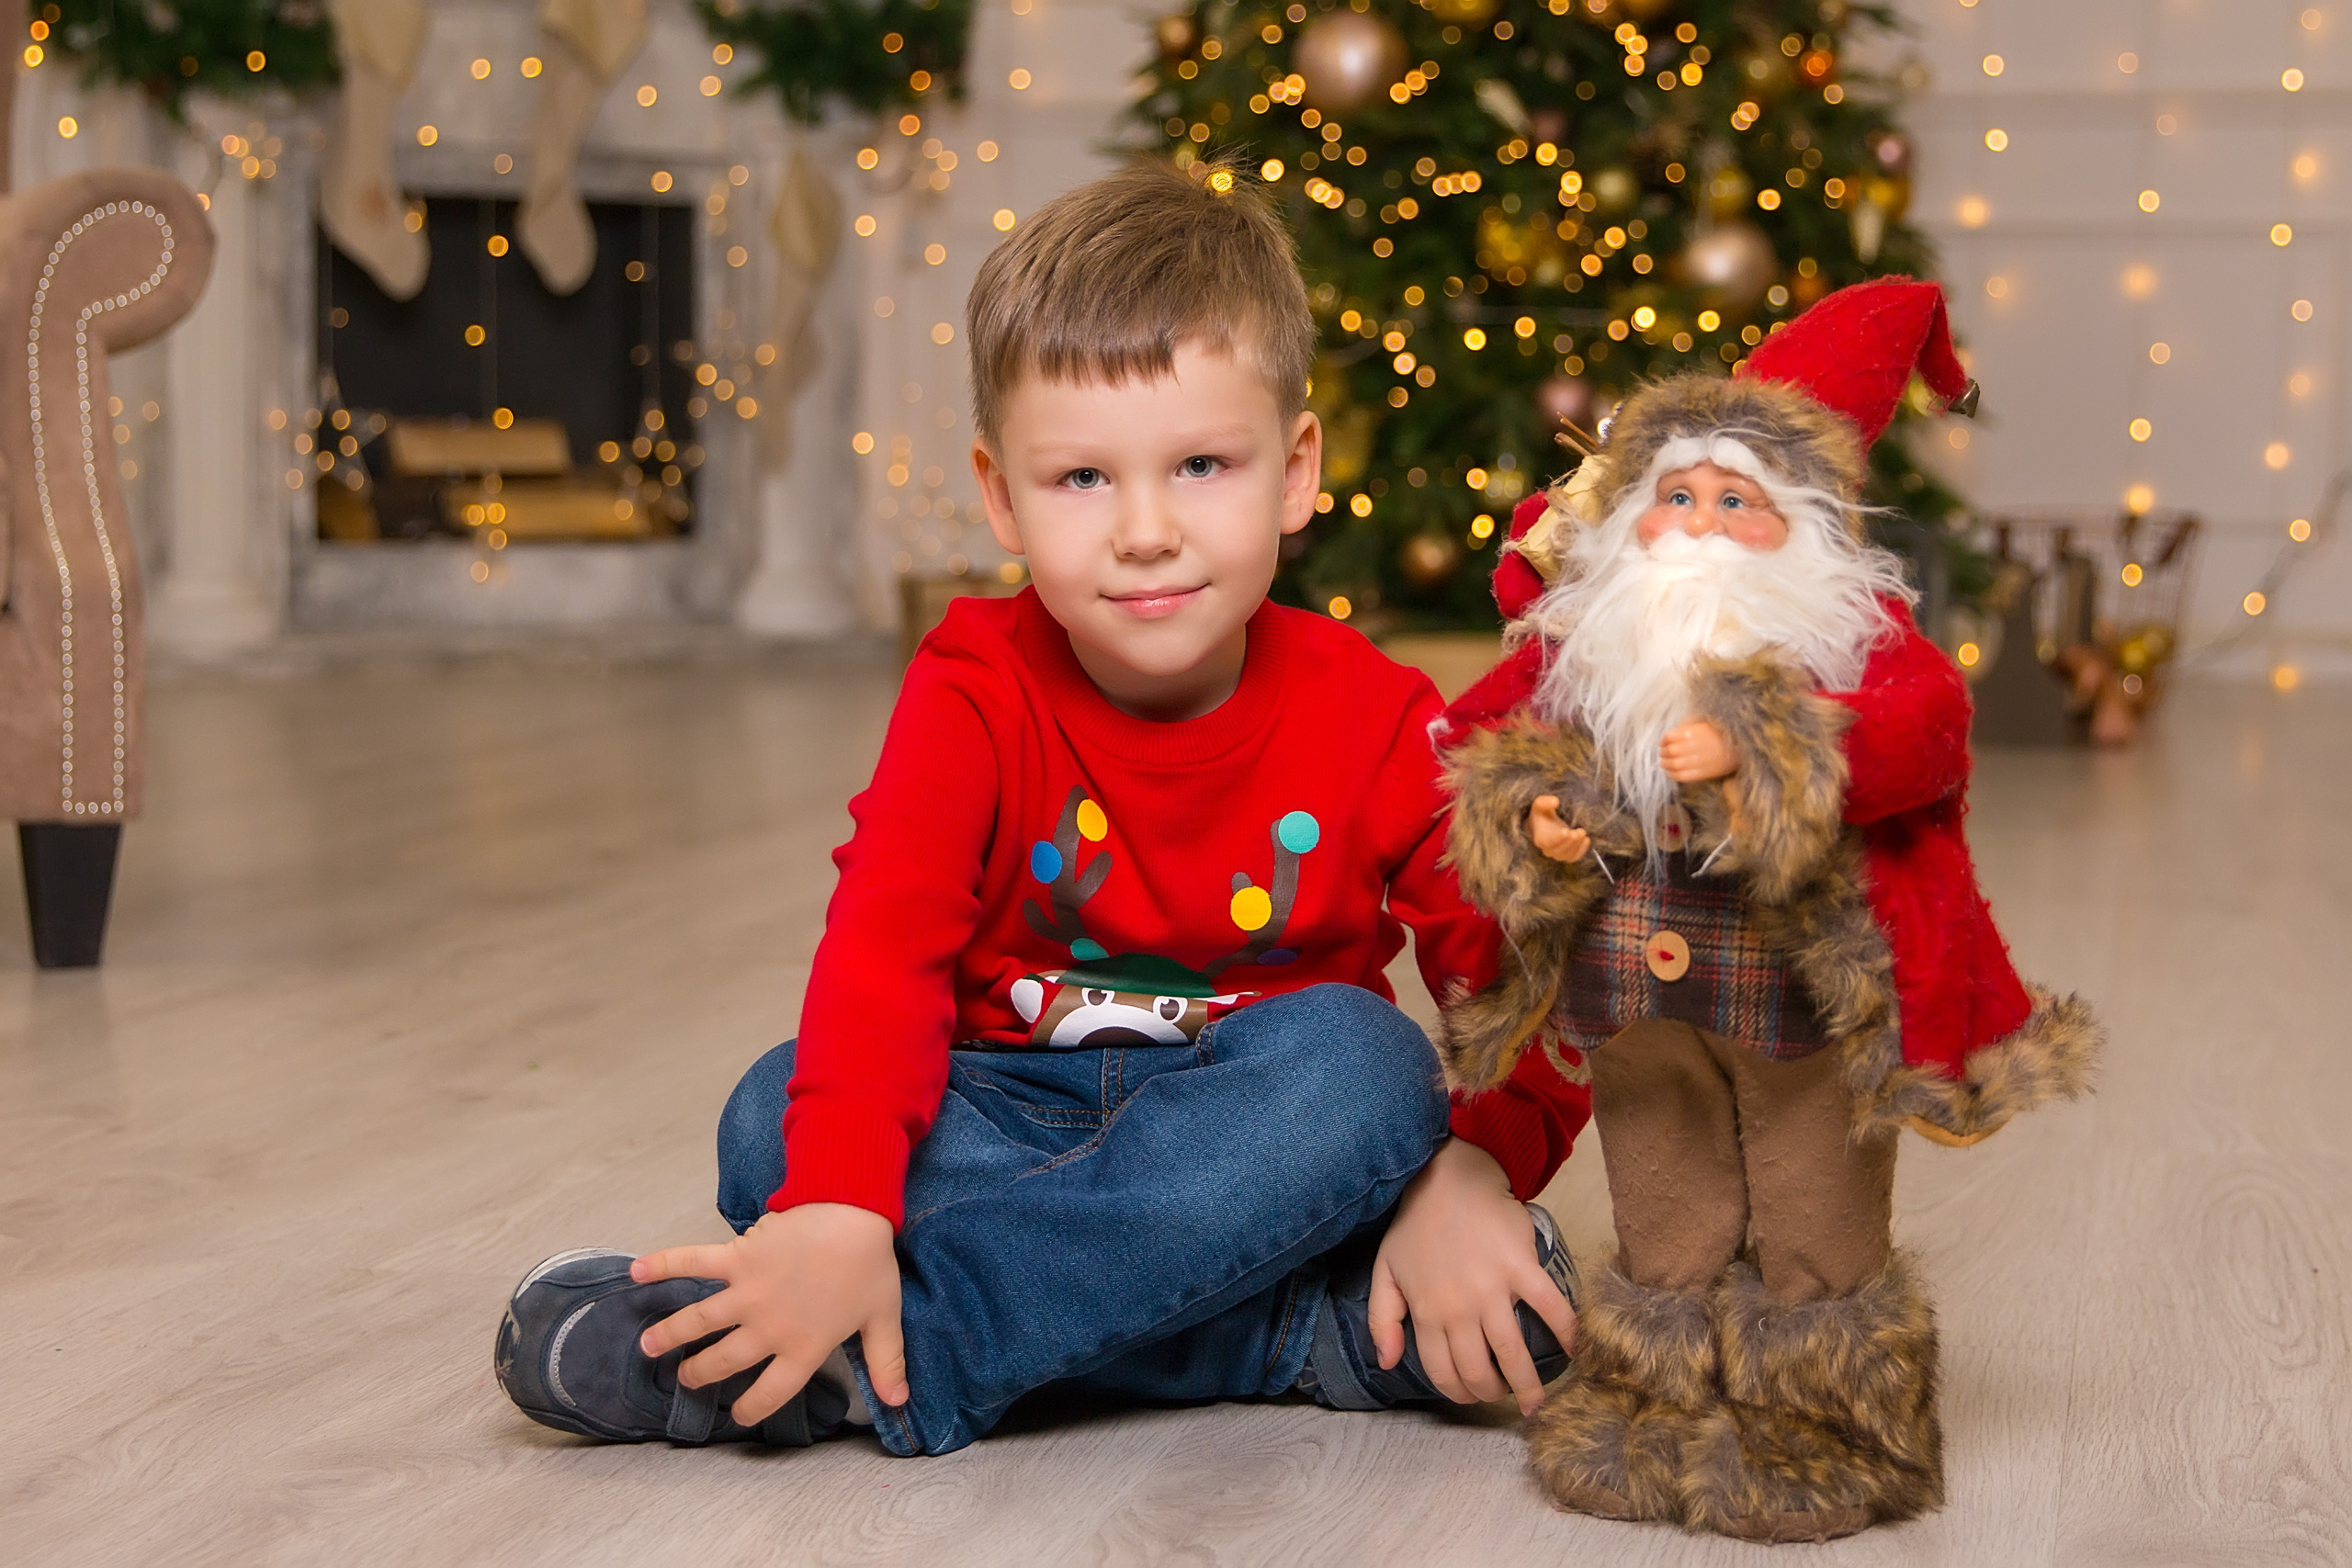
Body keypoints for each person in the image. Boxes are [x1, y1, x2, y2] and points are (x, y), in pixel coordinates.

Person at [492, 158, 1591, 1459]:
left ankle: (888, 1354)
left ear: (1295, 470)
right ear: (1002, 494)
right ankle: (1294, 1334)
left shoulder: (1386, 717)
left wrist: (1476, 1171)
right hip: (1014, 1106)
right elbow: (883, 950)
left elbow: (1531, 984)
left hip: (1256, 1131)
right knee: (773, 1111)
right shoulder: (971, 687)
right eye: (1081, 480)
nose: (1143, 531)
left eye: (1198, 465)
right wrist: (840, 1205)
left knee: (1366, 1073)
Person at [1430, 279, 2100, 1541]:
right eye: (1674, 496)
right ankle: (1650, 1404)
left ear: (1802, 525)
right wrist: (1537, 814)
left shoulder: (1853, 640)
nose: (1694, 522)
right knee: (1664, 1204)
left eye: (1734, 502)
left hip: (1799, 993)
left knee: (1812, 1208)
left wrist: (1763, 741)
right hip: (1634, 999)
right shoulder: (1585, 651)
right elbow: (1481, 739)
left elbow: (1928, 735)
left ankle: (1826, 1428)